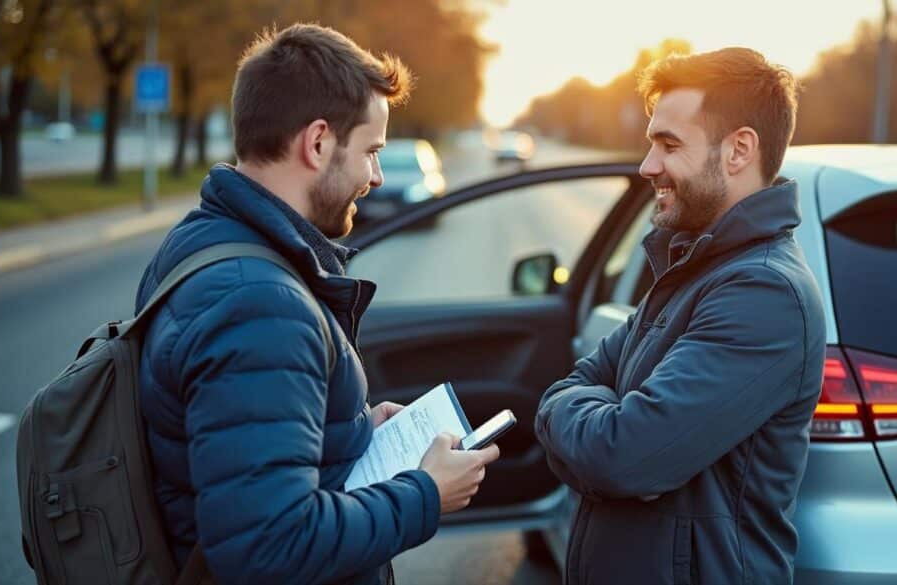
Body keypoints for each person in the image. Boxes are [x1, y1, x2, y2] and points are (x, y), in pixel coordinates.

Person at [134, 23, 498, 585]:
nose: (377, 176)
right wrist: (425, 494)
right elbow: (267, 547)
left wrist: (350, 430)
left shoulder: (204, 241)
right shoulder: (259, 305)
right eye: (372, 152)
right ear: (319, 142)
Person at [534, 47, 826, 584]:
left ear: (739, 150)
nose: (648, 166)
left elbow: (622, 457)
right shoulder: (692, 267)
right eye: (651, 144)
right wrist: (592, 411)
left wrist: (576, 416)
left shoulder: (763, 292)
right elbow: (576, 386)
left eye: (669, 145)